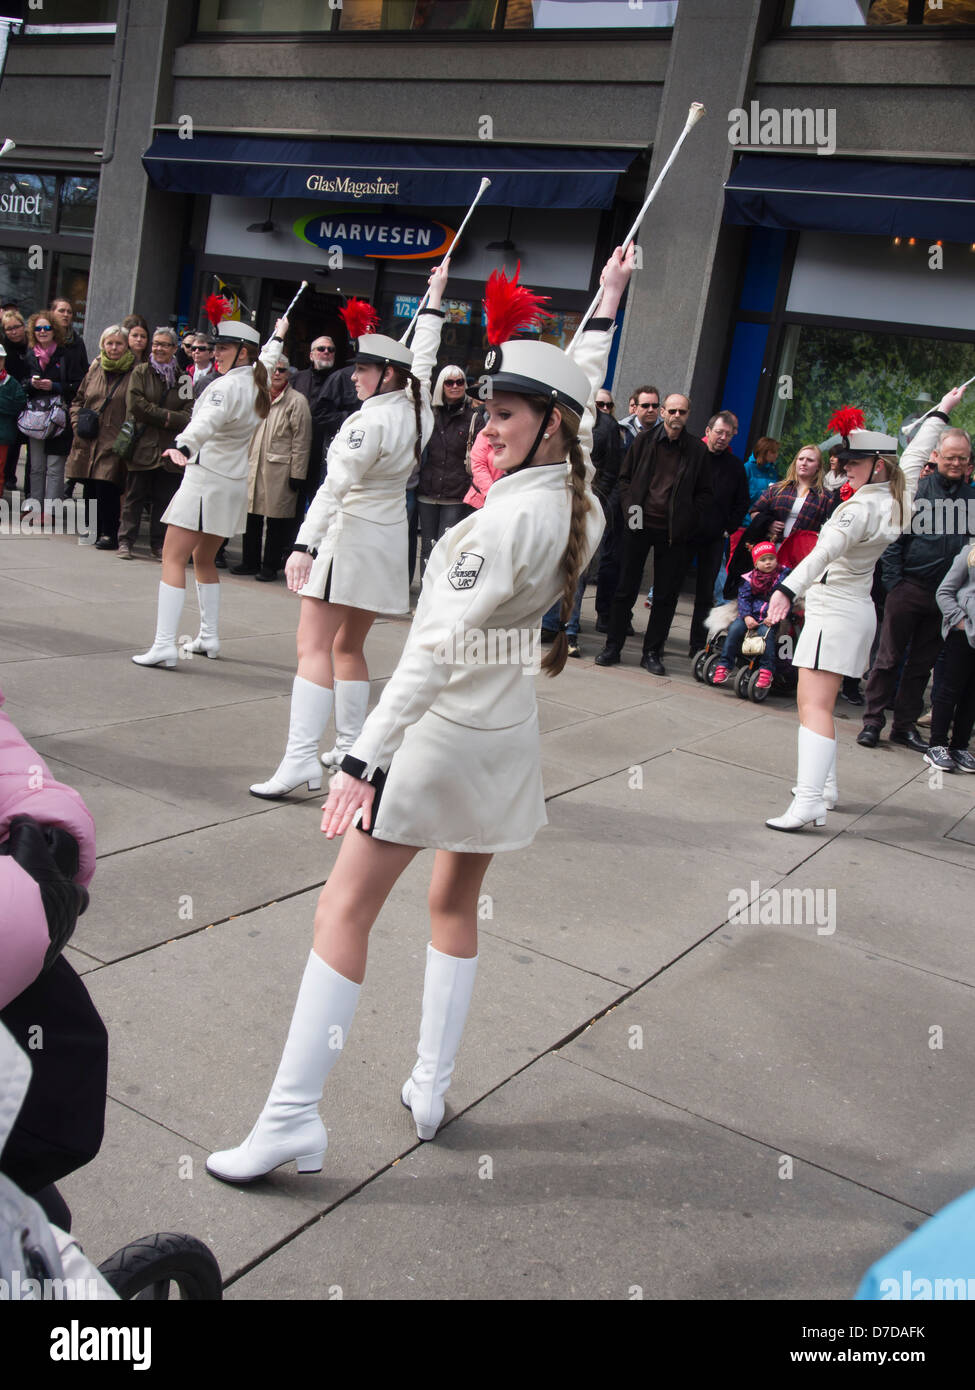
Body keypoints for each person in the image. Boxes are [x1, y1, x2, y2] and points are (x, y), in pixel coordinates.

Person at [205, 246, 633, 1185]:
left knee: (341, 909)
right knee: (454, 902)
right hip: (506, 741)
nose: (487, 429)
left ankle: (290, 1119)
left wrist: (360, 757)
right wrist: (601, 305)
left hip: (437, 740)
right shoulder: (582, 503)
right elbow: (583, 406)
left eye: (505, 416)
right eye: (486, 413)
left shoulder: (501, 525)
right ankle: (431, 1089)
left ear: (547, 427)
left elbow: (434, 654)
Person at [248, 266, 450, 798]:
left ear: (388, 374)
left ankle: (299, 762)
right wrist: (435, 299)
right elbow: (423, 358)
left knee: (312, 647)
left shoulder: (367, 422)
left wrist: (301, 544)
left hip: (349, 539)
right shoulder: (418, 407)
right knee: (349, 648)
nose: (353, 375)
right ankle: (352, 745)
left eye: (364, 368)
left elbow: (333, 490)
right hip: (387, 540)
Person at [763, 391, 966, 831]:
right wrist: (942, 409)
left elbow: (820, 554)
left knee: (812, 707)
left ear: (877, 465)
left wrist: (783, 588)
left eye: (853, 463)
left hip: (834, 612)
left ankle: (811, 801)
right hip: (853, 612)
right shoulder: (899, 495)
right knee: (823, 704)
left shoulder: (857, 510)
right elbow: (913, 453)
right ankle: (826, 789)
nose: (843, 469)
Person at [131, 313, 287, 667]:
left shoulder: (226, 386)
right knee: (203, 559)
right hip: (231, 485)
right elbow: (269, 358)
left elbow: (205, 424)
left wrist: (182, 447)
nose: (216, 354)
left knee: (172, 558)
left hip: (205, 480)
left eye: (225, 348)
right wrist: (278, 336)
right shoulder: (256, 382)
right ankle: (209, 636)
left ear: (244, 353)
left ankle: (164, 645)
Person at [857, 426, 974, 753]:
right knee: (887, 658)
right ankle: (872, 722)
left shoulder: (972, 499)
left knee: (921, 666)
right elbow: (893, 542)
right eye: (950, 457)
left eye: (962, 459)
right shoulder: (917, 491)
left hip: (946, 599)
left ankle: (904, 727)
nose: (956, 463)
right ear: (935, 456)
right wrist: (895, 587)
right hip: (908, 588)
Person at [595, 391, 711, 675]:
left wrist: (688, 519)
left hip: (673, 532)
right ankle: (613, 646)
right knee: (625, 589)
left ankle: (652, 653)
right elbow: (625, 478)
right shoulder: (644, 441)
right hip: (638, 526)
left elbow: (705, 493)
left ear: (687, 415)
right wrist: (630, 509)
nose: (676, 416)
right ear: (662, 412)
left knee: (665, 596)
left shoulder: (697, 450)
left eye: (681, 412)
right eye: (671, 411)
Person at [233, 355, 312, 581]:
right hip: (252, 465)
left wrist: (298, 473)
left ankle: (270, 565)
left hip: (279, 470)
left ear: (289, 374)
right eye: (273, 370)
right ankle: (249, 561)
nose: (277, 374)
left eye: (282, 370)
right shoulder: (257, 397)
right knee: (251, 517)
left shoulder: (297, 401)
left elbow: (301, 440)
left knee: (277, 521)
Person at [118, 327, 194, 561]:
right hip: (142, 444)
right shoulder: (141, 372)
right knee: (135, 495)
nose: (159, 348)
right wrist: (168, 416)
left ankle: (159, 544)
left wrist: (166, 418)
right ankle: (125, 541)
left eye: (164, 345)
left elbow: (189, 412)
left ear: (173, 348)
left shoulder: (183, 378)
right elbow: (136, 405)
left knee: (164, 498)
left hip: (169, 448)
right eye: (156, 344)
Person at [726, 444, 833, 596]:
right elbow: (755, 511)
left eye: (810, 460)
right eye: (801, 459)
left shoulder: (826, 497)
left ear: (818, 467)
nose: (804, 463)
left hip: (800, 557)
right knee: (760, 596)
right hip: (771, 552)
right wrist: (768, 524)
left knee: (788, 598)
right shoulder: (777, 489)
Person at [64, 325, 135, 550]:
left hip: (115, 438)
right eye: (110, 343)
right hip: (88, 437)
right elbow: (78, 399)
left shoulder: (136, 371)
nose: (114, 348)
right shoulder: (95, 367)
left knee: (108, 485)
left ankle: (109, 533)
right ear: (103, 345)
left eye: (119, 343)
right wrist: (76, 423)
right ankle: (92, 528)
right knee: (89, 484)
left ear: (127, 346)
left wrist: (128, 434)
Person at [685, 411, 748, 654]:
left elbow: (741, 502)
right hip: (685, 534)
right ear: (708, 431)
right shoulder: (692, 456)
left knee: (704, 595)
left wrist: (728, 528)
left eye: (728, 434)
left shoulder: (735, 466)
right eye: (719, 432)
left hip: (713, 538)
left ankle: (697, 645)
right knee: (666, 591)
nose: (722, 438)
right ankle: (655, 645)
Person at [417, 364, 479, 574]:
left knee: (448, 547)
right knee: (427, 546)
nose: (455, 386)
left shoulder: (473, 418)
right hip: (428, 490)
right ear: (441, 386)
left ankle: (439, 597)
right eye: (449, 382)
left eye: (460, 381)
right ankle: (424, 597)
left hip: (455, 493)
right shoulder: (429, 415)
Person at [22, 312, 85, 515]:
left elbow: (78, 385)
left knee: (55, 466)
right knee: (37, 465)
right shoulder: (31, 354)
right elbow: (21, 384)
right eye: (38, 328)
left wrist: (55, 385)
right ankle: (34, 505)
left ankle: (50, 511)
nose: (42, 332)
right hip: (36, 416)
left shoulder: (65, 354)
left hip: (59, 416)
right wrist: (31, 384)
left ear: (54, 330)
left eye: (47, 328)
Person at [711, 541, 789, 692]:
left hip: (770, 618)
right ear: (756, 563)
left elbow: (786, 599)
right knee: (734, 629)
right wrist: (746, 616)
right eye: (763, 560)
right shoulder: (750, 578)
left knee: (764, 636)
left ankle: (767, 670)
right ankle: (725, 664)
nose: (768, 563)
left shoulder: (782, 577)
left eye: (771, 559)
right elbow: (744, 598)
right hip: (750, 615)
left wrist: (772, 617)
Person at [927, 539, 975, 774]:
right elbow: (944, 592)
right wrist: (960, 622)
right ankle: (936, 745)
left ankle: (959, 746)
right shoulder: (970, 553)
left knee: (971, 696)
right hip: (962, 637)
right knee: (949, 691)